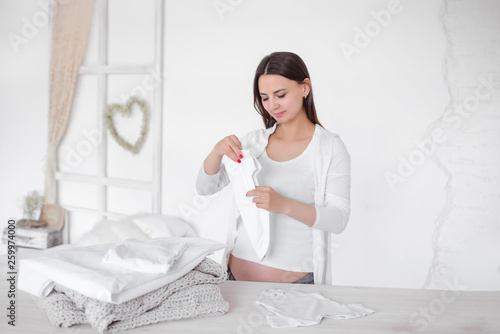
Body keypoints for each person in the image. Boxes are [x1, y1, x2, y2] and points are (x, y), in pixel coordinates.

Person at [196, 51, 350, 285]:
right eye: (265, 97)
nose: (272, 105)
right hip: (234, 280)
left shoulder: (329, 148)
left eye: (280, 95)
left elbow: (338, 219)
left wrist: (284, 205)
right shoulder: (252, 142)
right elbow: (205, 188)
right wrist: (216, 152)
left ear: (305, 88)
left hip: (296, 286)